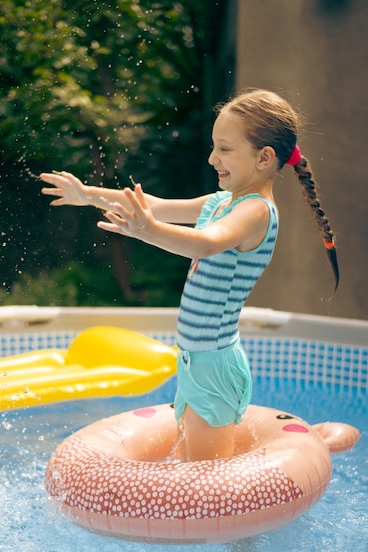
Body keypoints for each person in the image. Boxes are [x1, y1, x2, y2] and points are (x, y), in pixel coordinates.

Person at [40, 89, 339, 462]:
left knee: (207, 479)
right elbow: (155, 205)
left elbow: (206, 243)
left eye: (225, 149)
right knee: (190, 464)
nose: (213, 158)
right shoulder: (220, 202)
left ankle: (320, 442)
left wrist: (147, 232)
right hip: (195, 360)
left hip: (214, 365)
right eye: (214, 147)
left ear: (264, 158)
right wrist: (88, 195)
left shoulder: (256, 212)